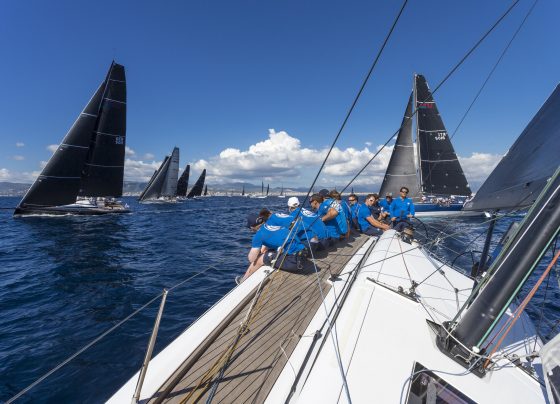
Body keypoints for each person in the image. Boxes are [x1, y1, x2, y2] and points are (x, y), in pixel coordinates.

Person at [238, 212, 307, 284]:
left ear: (252, 227)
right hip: (304, 254)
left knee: (260, 259)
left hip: (294, 262)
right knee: (268, 252)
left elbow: (251, 258)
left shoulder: (259, 235)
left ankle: (243, 281)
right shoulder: (275, 226)